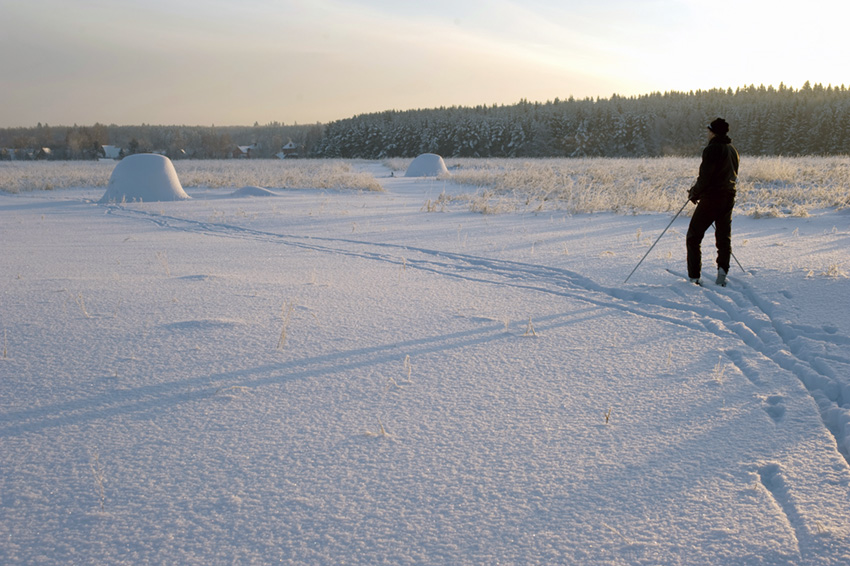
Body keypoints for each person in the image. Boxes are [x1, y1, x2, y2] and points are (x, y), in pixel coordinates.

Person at [686, 118, 739, 286]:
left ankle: (695, 276)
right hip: (728, 197)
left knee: (693, 237)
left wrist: (694, 193)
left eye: (709, 130)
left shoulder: (712, 150)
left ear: (713, 132)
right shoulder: (732, 150)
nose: (707, 133)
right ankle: (722, 274)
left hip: (711, 199)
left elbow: (705, 178)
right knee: (723, 237)